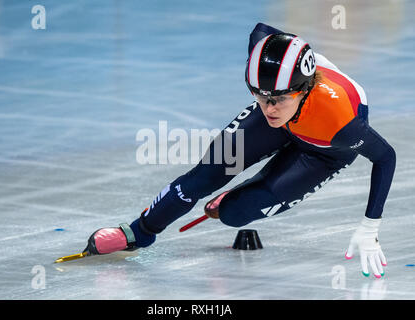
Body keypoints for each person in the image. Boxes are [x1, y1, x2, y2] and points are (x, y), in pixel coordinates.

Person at [83, 23, 396, 279]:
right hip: (296, 117)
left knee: (234, 214)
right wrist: (271, 95)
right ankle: (140, 232)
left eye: (277, 100)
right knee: (205, 175)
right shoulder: (271, 89)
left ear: (302, 91)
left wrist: (370, 226)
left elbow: (385, 157)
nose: (268, 107)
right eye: (259, 96)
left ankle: (244, 191)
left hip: (323, 149)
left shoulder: (342, 124)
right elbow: (261, 32)